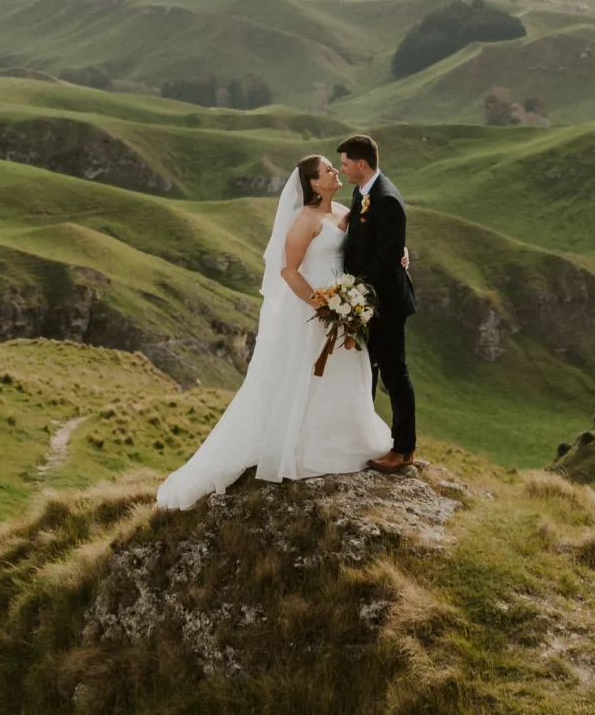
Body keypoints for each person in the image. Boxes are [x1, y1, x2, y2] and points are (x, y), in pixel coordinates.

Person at [154, 153, 395, 510]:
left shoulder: (344, 211)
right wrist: (324, 305)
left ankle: (347, 439)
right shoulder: (305, 219)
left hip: (344, 306)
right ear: (313, 183)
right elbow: (289, 271)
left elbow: (374, 240)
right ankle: (300, 446)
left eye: (334, 167)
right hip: (313, 309)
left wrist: (398, 252)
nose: (334, 171)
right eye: (327, 169)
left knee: (344, 373)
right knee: (303, 374)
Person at [336, 133, 416, 472]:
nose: (342, 170)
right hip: (367, 302)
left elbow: (386, 263)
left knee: (394, 374)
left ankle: (403, 449)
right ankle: (364, 438)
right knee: (366, 371)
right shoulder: (362, 192)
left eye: (345, 164)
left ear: (362, 164)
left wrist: (358, 299)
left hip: (385, 304)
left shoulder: (387, 200)